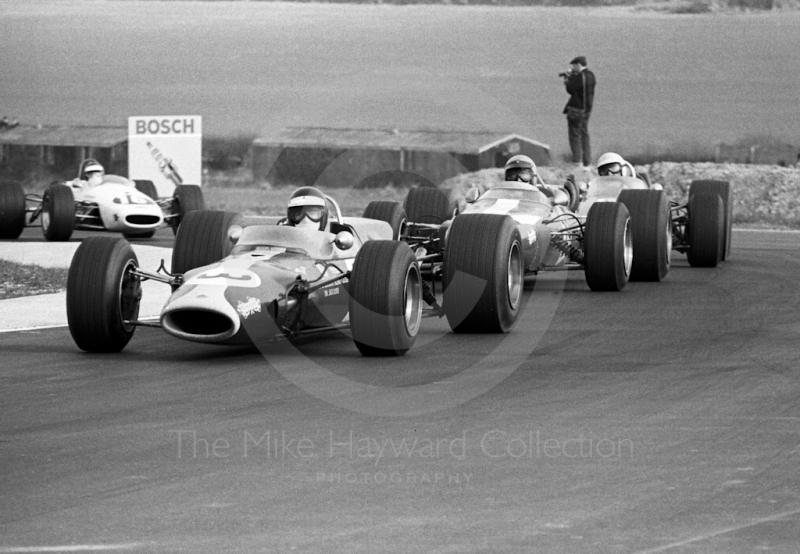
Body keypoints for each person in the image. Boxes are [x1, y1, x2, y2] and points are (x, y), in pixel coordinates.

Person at [561, 56, 596, 167]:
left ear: (579, 65)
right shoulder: (591, 75)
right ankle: (587, 161)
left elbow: (571, 89)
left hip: (577, 109)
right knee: (584, 134)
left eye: (574, 65)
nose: (573, 67)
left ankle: (577, 161)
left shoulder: (580, 76)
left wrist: (568, 78)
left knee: (574, 135)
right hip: (587, 109)